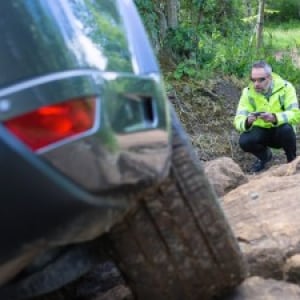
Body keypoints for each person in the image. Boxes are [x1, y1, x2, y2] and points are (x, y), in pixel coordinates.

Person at [234, 60, 300, 172]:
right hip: (261, 132)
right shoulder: (247, 92)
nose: (256, 84)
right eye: (253, 80)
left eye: (261, 79)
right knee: (244, 140)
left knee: (286, 129)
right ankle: (264, 157)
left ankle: (292, 162)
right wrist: (247, 121)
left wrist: (275, 118)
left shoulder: (286, 87)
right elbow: (238, 120)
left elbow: (296, 114)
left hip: (281, 132)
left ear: (270, 78)